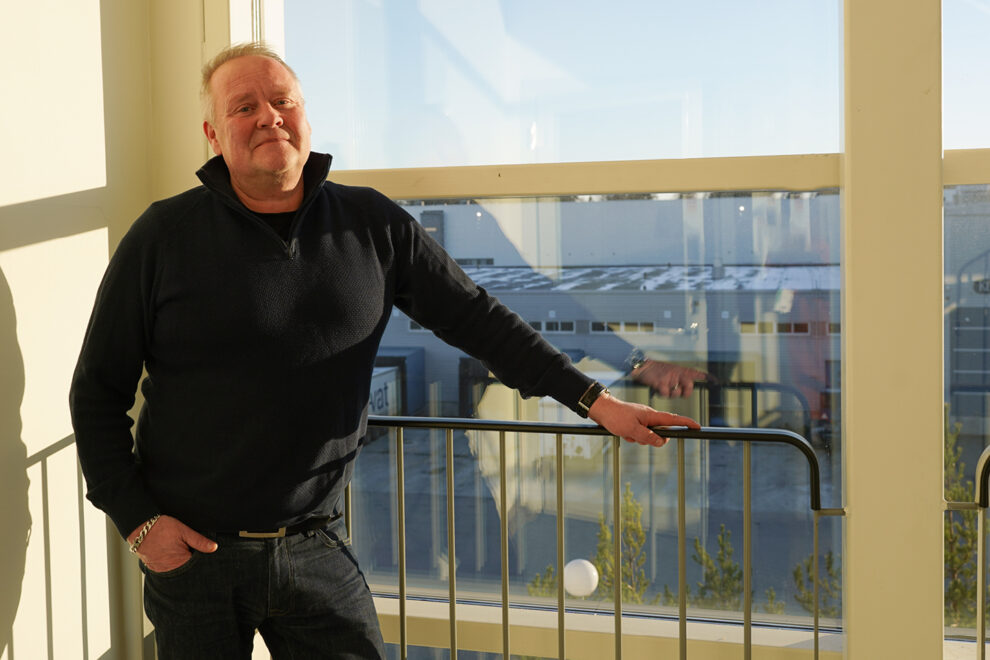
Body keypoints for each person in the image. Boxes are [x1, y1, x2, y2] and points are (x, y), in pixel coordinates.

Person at [69, 42, 700, 659]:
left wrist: (596, 401)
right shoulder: (163, 237)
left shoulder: (371, 224)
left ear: (305, 116)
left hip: (317, 545)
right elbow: (96, 394)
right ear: (213, 134)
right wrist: (140, 524)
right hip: (195, 557)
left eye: (283, 101)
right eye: (244, 107)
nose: (269, 117)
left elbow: (481, 321)